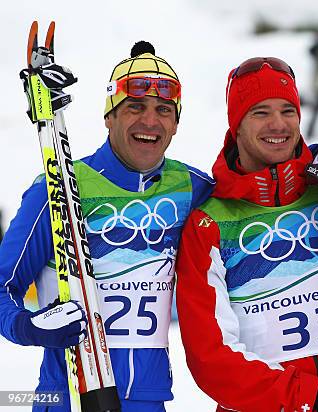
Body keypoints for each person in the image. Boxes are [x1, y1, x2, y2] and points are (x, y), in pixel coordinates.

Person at [0, 41, 214, 412]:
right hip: (68, 395)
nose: (150, 121)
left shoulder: (193, 189)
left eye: (164, 110)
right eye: (134, 107)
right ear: (109, 117)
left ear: (176, 124)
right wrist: (27, 326)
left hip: (149, 399)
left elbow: (255, 199)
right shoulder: (59, 188)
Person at [176, 57, 318, 411]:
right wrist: (313, 395)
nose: (278, 124)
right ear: (237, 125)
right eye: (260, 112)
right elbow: (209, 356)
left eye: (288, 110)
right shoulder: (210, 224)